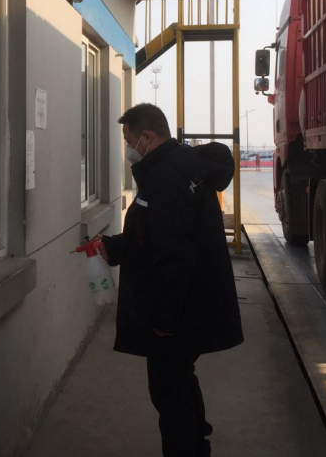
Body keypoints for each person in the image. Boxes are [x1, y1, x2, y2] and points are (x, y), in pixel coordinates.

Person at [100, 103, 243, 457]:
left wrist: (163, 320)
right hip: (191, 304)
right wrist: (113, 247)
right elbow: (155, 235)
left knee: (168, 389)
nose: (129, 150)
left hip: (180, 311)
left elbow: (174, 255)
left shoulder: (166, 179)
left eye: (129, 141)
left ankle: (188, 448)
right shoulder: (178, 167)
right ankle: (198, 441)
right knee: (180, 377)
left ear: (147, 137)